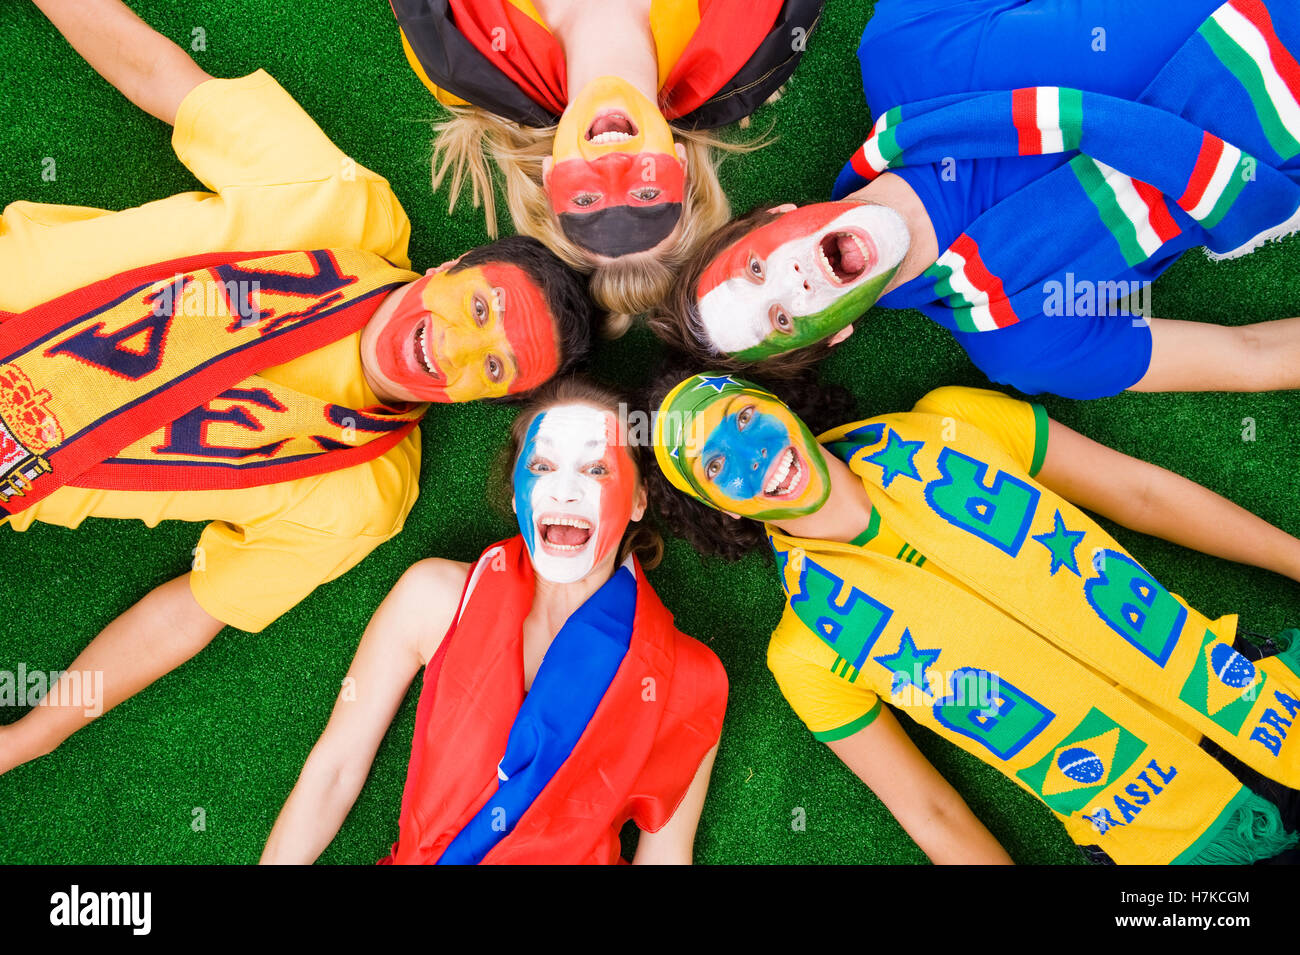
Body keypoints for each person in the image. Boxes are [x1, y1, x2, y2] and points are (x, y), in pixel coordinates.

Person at [0, 0, 595, 777]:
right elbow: (158, 73)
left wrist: (30, 736)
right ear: (454, 267)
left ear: (484, 402)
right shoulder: (337, 202)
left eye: (490, 368)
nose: (452, 345)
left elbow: (191, 609)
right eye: (479, 307)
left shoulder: (364, 492)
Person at [647, 370, 1300, 864]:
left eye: (741, 417)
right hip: (1172, 844)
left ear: (776, 401)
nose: (754, 455)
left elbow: (1143, 495)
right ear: (721, 507)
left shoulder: (949, 421)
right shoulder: (805, 652)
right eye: (717, 464)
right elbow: (931, 812)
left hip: (1269, 695)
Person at [650, 0, 1300, 399]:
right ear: (838, 335)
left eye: (757, 268)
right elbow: (1252, 357)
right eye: (784, 320)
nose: (792, 284)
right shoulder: (1022, 341)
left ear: (777, 216)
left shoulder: (902, 49)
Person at [261, 377, 727, 864]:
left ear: (639, 500)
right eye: (543, 466)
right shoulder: (435, 598)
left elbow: (666, 858)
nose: (566, 492)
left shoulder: (686, 675)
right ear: (515, 493)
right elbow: (334, 771)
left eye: (596, 468)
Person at [390, 0, 825, 325]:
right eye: (647, 192)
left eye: (585, 198)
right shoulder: (755, 40)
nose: (613, 164)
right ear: (680, 164)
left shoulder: (459, 53)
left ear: (549, 178)